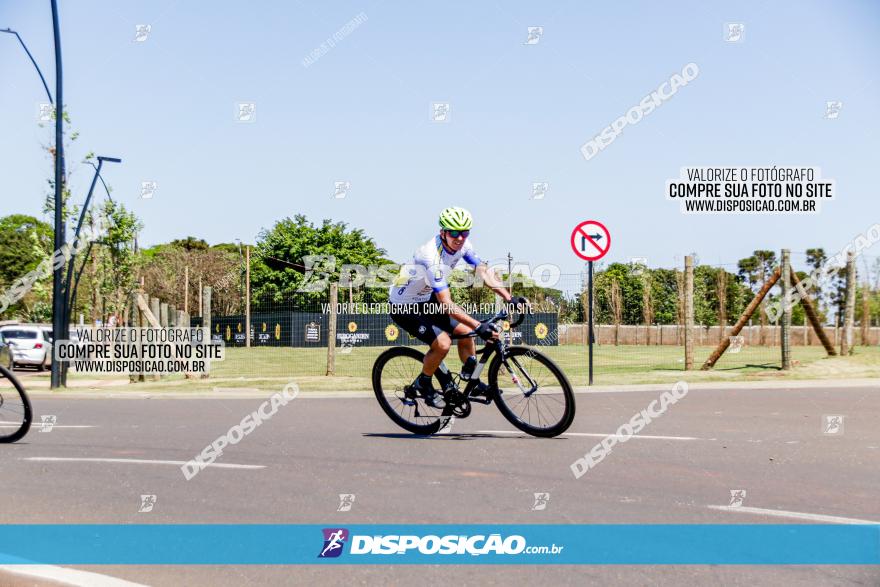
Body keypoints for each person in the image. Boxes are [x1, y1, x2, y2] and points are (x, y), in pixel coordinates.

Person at [388, 206, 527, 408]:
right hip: (405, 306)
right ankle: (423, 383)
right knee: (443, 343)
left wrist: (508, 297)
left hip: (426, 299)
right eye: (454, 232)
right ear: (442, 232)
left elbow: (483, 272)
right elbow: (446, 303)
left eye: (464, 232)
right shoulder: (430, 256)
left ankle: (471, 377)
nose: (460, 238)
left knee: (467, 332)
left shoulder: (463, 245)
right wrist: (480, 326)